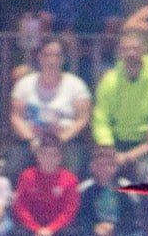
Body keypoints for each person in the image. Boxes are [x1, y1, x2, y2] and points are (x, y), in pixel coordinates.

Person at [91, 32, 148, 159]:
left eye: (135, 48)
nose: (131, 54)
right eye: (125, 49)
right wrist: (108, 149)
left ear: (144, 51)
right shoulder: (108, 82)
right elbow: (100, 120)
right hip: (114, 147)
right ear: (119, 53)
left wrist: (130, 156)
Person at [10, 39, 92, 167]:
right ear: (39, 57)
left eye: (57, 55)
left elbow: (82, 119)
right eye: (47, 55)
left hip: (66, 140)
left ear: (63, 59)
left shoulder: (77, 85)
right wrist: (32, 139)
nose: (52, 60)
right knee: (14, 164)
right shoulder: (24, 84)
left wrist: (60, 139)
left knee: (74, 162)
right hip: (31, 138)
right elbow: (16, 117)